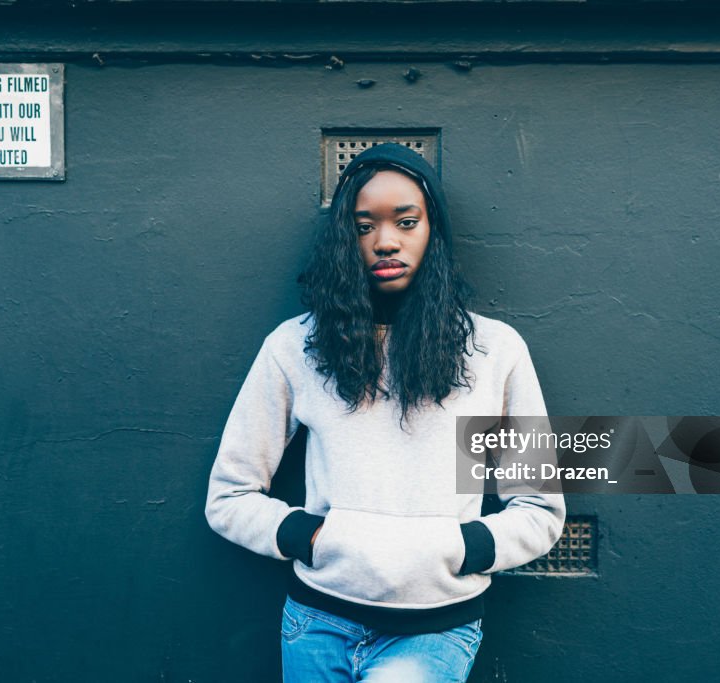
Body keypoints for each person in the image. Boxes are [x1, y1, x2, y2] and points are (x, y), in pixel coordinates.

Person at [205, 143, 566, 682]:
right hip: (316, 620)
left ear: (432, 231)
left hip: (436, 630)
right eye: (363, 226)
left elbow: (540, 509)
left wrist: (460, 546)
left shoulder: (496, 350)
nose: (386, 240)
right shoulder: (294, 346)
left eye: (406, 221)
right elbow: (229, 497)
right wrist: (315, 538)